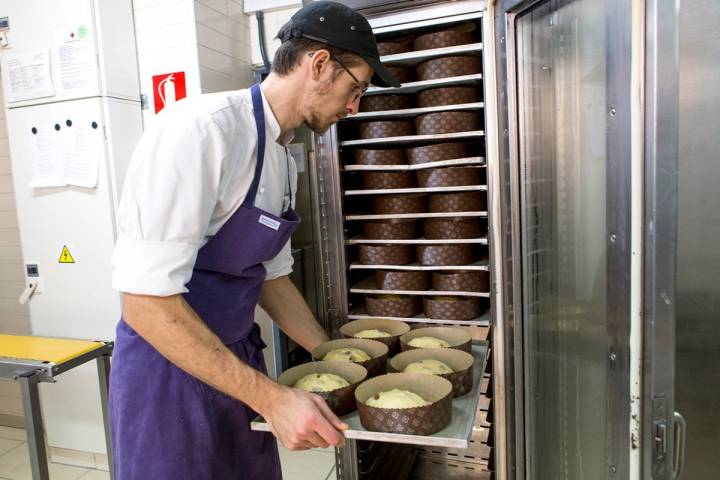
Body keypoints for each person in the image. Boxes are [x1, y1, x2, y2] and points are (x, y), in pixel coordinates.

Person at [108, 2, 399, 478]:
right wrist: (272, 400)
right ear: (320, 65)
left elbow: (271, 277)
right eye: (356, 88)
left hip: (236, 361)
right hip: (168, 376)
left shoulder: (281, 159)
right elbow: (145, 302)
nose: (354, 107)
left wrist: (340, 362)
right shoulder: (202, 131)